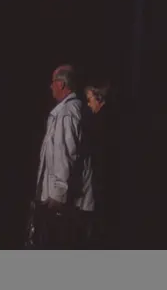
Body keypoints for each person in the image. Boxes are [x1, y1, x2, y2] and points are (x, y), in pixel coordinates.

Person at [32, 65, 94, 247]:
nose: (50, 86)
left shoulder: (67, 113)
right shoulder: (69, 110)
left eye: (53, 82)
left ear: (61, 84)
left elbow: (65, 155)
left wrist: (58, 195)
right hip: (67, 203)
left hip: (64, 204)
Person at [85, 81, 119, 246]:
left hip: (102, 178)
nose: (88, 103)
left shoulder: (101, 121)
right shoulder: (109, 118)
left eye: (90, 99)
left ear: (99, 99)